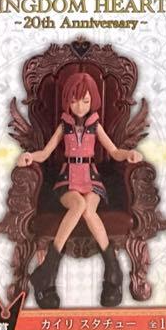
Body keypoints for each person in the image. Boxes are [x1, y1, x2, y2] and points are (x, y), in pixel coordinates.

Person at [18, 71, 143, 308]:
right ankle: (57, 268)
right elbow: (45, 153)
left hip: (91, 178)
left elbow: (114, 151)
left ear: (92, 101)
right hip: (68, 179)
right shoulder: (64, 126)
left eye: (85, 101)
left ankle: (102, 271)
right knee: (78, 204)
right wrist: (29, 157)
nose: (80, 106)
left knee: (88, 209)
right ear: (68, 100)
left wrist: (129, 154)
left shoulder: (95, 125)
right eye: (75, 101)